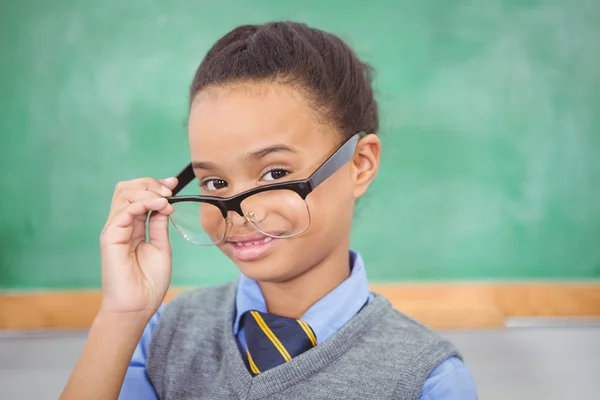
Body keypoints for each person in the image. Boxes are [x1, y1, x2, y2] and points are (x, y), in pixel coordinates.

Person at [60, 21, 478, 399]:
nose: (239, 214)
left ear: (360, 164)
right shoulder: (160, 335)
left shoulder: (426, 379)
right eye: (216, 183)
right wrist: (121, 315)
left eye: (275, 173)